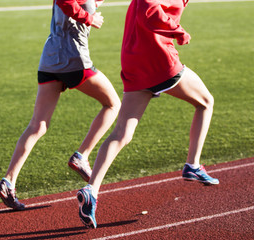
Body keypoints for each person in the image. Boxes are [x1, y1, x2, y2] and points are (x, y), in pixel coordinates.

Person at [76, 0, 219, 229]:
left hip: (134, 62)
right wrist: (178, 31)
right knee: (206, 102)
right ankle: (192, 164)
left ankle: (92, 190)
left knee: (122, 133)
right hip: (159, 60)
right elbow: (148, 11)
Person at [0, 0, 121, 210]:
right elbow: (66, 2)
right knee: (113, 104)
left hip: (50, 60)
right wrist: (90, 18)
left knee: (38, 125)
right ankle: (82, 156)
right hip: (73, 60)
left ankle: (8, 182)